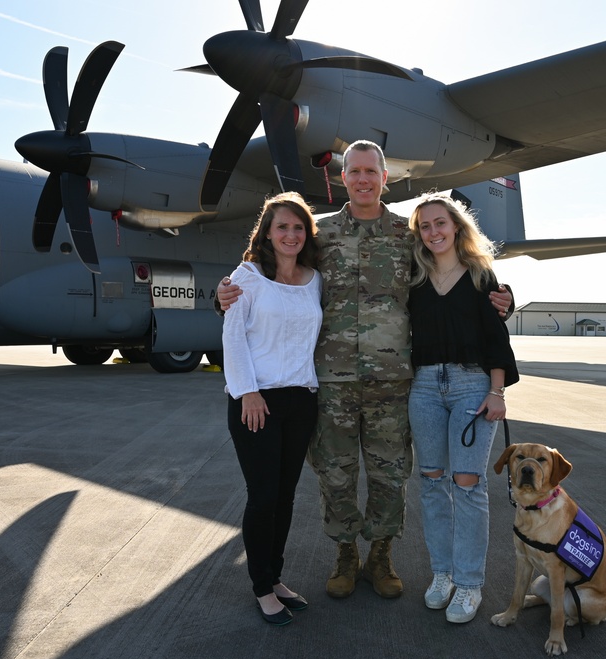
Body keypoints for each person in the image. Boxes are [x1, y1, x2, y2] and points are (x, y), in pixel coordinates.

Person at [217, 140, 514, 601]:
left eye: (369, 171)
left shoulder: (407, 235)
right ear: (341, 178)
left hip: (393, 380)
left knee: (389, 474)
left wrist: (498, 297)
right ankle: (345, 555)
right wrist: (228, 291)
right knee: (335, 474)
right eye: (353, 171)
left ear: (384, 178)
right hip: (330, 380)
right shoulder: (321, 236)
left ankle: (380, 554)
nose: (361, 179)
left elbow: (450, 274)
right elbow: (278, 272)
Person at [406, 192, 519, 624]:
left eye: (440, 223)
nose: (433, 232)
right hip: (424, 387)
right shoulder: (414, 277)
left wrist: (497, 392)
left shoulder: (480, 275)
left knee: (468, 483)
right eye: (425, 227)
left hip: (473, 385)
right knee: (432, 481)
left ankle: (470, 584)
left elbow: (497, 339)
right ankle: (442, 575)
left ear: (456, 226)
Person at [222, 192, 323, 626]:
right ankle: (261, 587)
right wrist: (247, 391)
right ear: (266, 232)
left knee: (284, 497)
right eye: (282, 226)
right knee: (262, 497)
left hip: (301, 400)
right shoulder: (245, 276)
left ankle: (275, 577)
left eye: (298, 227)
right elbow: (233, 335)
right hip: (256, 399)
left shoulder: (315, 278)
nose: (291, 234)